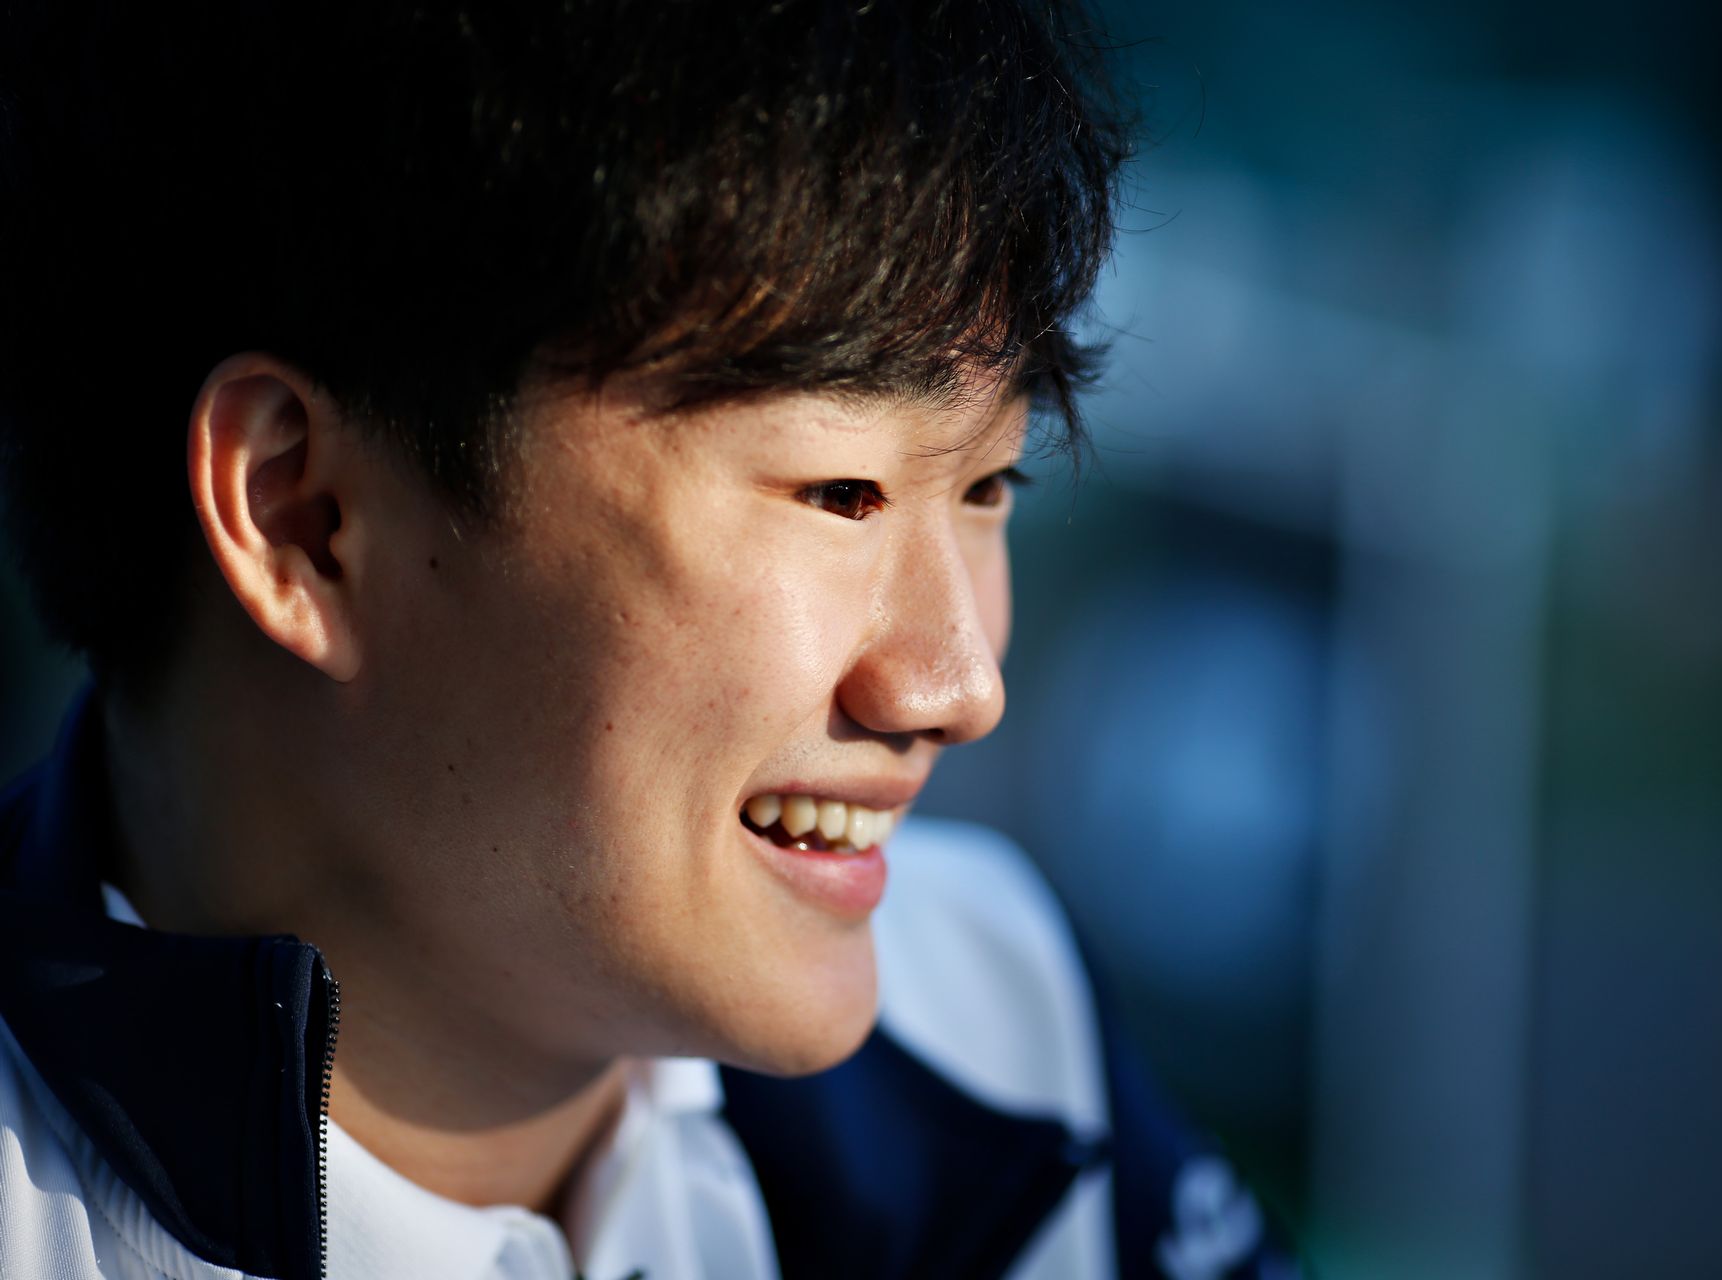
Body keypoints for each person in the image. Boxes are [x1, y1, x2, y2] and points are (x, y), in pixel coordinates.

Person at [0, 3, 1297, 1277]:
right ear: (306, 521)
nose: (958, 687)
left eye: (988, 486)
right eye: (840, 492)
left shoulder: (994, 1010)